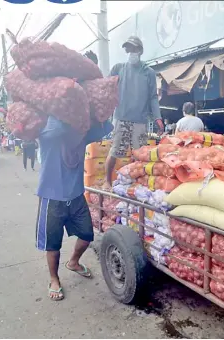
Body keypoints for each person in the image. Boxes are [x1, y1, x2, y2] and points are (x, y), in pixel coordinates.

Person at [37, 116, 112, 300]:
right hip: (52, 197)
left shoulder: (81, 135)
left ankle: (73, 262)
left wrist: (95, 112)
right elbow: (55, 125)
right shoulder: (48, 133)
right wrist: (70, 111)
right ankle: (54, 279)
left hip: (77, 196)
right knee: (52, 245)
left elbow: (105, 126)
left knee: (87, 236)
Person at [104, 36, 164, 188]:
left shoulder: (148, 72)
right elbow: (106, 89)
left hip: (140, 121)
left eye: (134, 49)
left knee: (139, 155)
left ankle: (137, 183)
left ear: (140, 51)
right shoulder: (118, 69)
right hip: (120, 118)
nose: (131, 52)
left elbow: (152, 97)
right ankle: (107, 181)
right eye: (128, 49)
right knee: (115, 151)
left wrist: (157, 117)